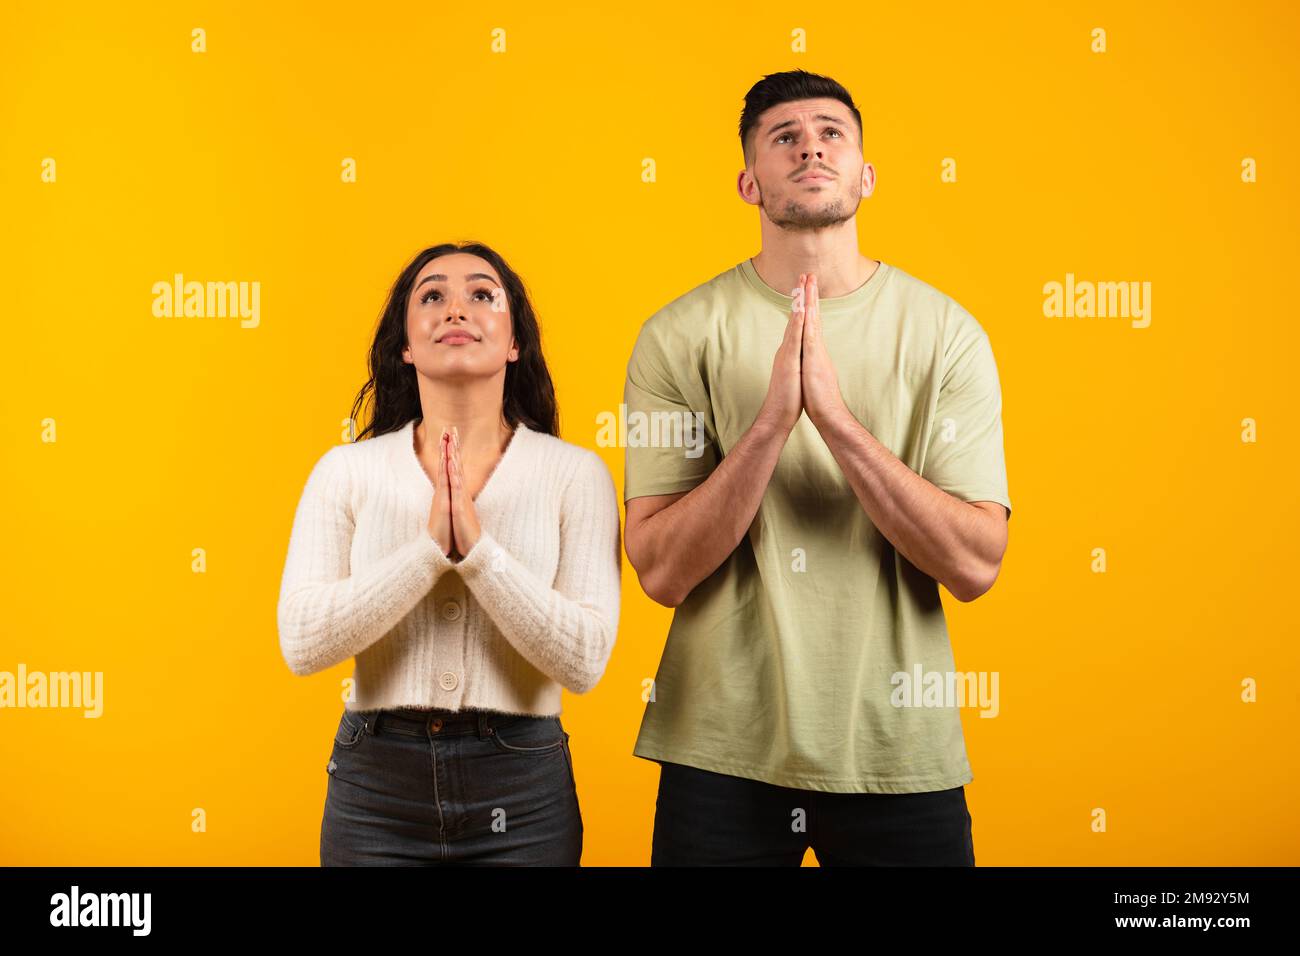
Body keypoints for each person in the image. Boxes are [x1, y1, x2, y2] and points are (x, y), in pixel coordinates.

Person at [622, 70, 1012, 866]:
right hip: (719, 748)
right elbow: (659, 572)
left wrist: (834, 420)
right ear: (748, 180)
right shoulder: (676, 334)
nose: (811, 145)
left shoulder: (947, 334)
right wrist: (770, 425)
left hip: (895, 746)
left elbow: (975, 564)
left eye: (832, 131)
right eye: (785, 135)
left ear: (866, 174)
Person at [277, 241, 622, 865]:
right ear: (406, 344)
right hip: (375, 784)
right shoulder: (346, 471)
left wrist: (480, 553)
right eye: (432, 295)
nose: (456, 309)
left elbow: (585, 659)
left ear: (514, 341)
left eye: (483, 295)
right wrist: (428, 551)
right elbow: (302, 643)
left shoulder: (575, 474)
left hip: (522, 786)